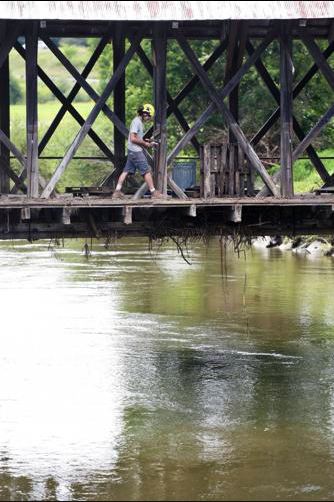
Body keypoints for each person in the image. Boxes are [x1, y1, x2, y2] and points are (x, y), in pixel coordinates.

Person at [112, 103, 163, 199]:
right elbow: (133, 138)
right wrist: (145, 144)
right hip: (136, 151)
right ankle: (154, 193)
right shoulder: (137, 122)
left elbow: (136, 137)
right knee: (146, 171)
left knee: (126, 171)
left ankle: (117, 192)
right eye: (149, 116)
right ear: (145, 114)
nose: (148, 119)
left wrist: (146, 141)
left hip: (132, 151)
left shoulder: (138, 122)